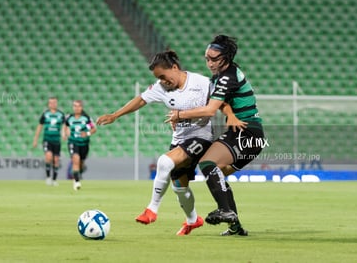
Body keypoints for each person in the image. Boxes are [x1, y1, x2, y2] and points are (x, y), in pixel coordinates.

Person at [97, 50, 214, 235]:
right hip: (180, 140)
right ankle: (193, 220)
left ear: (174, 68)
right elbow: (141, 100)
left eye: (163, 76)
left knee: (164, 162)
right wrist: (115, 115)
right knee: (180, 188)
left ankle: (152, 209)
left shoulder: (201, 82)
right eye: (158, 78)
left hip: (202, 136)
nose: (162, 81)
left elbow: (219, 103)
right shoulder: (161, 88)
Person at [167, 35, 265, 236]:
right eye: (206, 58)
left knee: (207, 164)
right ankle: (235, 227)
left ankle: (226, 210)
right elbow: (222, 103)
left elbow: (211, 109)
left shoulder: (227, 76)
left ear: (226, 58)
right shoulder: (221, 77)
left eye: (214, 59)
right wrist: (229, 114)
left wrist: (179, 114)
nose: (209, 63)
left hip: (247, 132)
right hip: (245, 133)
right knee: (215, 174)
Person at [64, 100, 97, 190]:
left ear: (81, 107)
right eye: (75, 106)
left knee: (81, 163)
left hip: (84, 143)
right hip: (73, 142)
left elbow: (94, 129)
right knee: (75, 159)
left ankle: (78, 174)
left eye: (78, 106)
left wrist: (87, 134)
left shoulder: (86, 118)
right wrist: (65, 133)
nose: (76, 108)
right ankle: (77, 181)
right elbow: (66, 125)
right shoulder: (69, 118)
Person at [33, 97, 65, 186]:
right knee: (48, 156)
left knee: (56, 159)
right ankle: (48, 177)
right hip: (47, 139)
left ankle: (54, 179)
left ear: (57, 103)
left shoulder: (61, 114)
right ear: (48, 104)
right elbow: (39, 126)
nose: (53, 104)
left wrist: (63, 133)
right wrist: (35, 139)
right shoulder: (45, 114)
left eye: (54, 102)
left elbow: (64, 126)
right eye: (51, 103)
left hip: (56, 140)